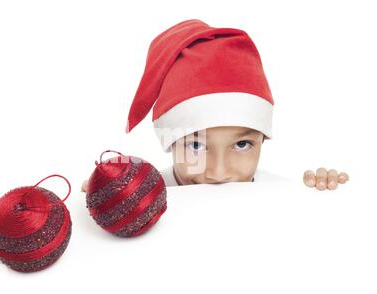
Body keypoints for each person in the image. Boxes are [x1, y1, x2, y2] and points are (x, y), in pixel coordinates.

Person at [81, 19, 349, 192]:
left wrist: (319, 198)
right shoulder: (142, 199)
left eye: (242, 145)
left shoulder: (275, 193)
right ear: (169, 141)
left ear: (262, 139)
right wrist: (99, 207)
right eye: (195, 145)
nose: (219, 173)